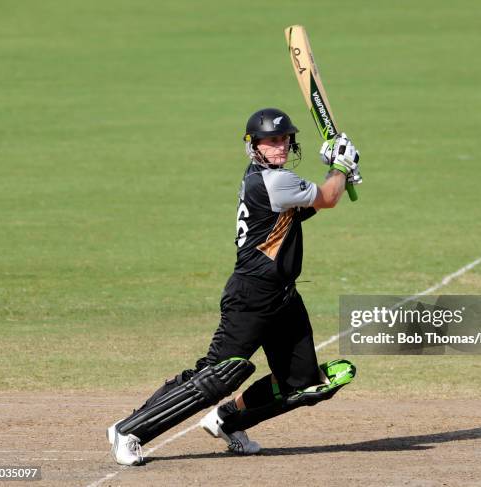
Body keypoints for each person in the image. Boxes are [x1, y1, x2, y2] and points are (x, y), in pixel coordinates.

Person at [107, 107, 361, 466]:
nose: (280, 146)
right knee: (218, 374)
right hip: (252, 295)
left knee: (303, 382)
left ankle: (228, 422)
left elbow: (312, 204)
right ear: (254, 146)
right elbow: (329, 197)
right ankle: (129, 429)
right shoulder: (274, 182)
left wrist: (341, 171)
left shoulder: (270, 179)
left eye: (284, 138)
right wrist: (341, 167)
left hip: (283, 297)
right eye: (271, 141)